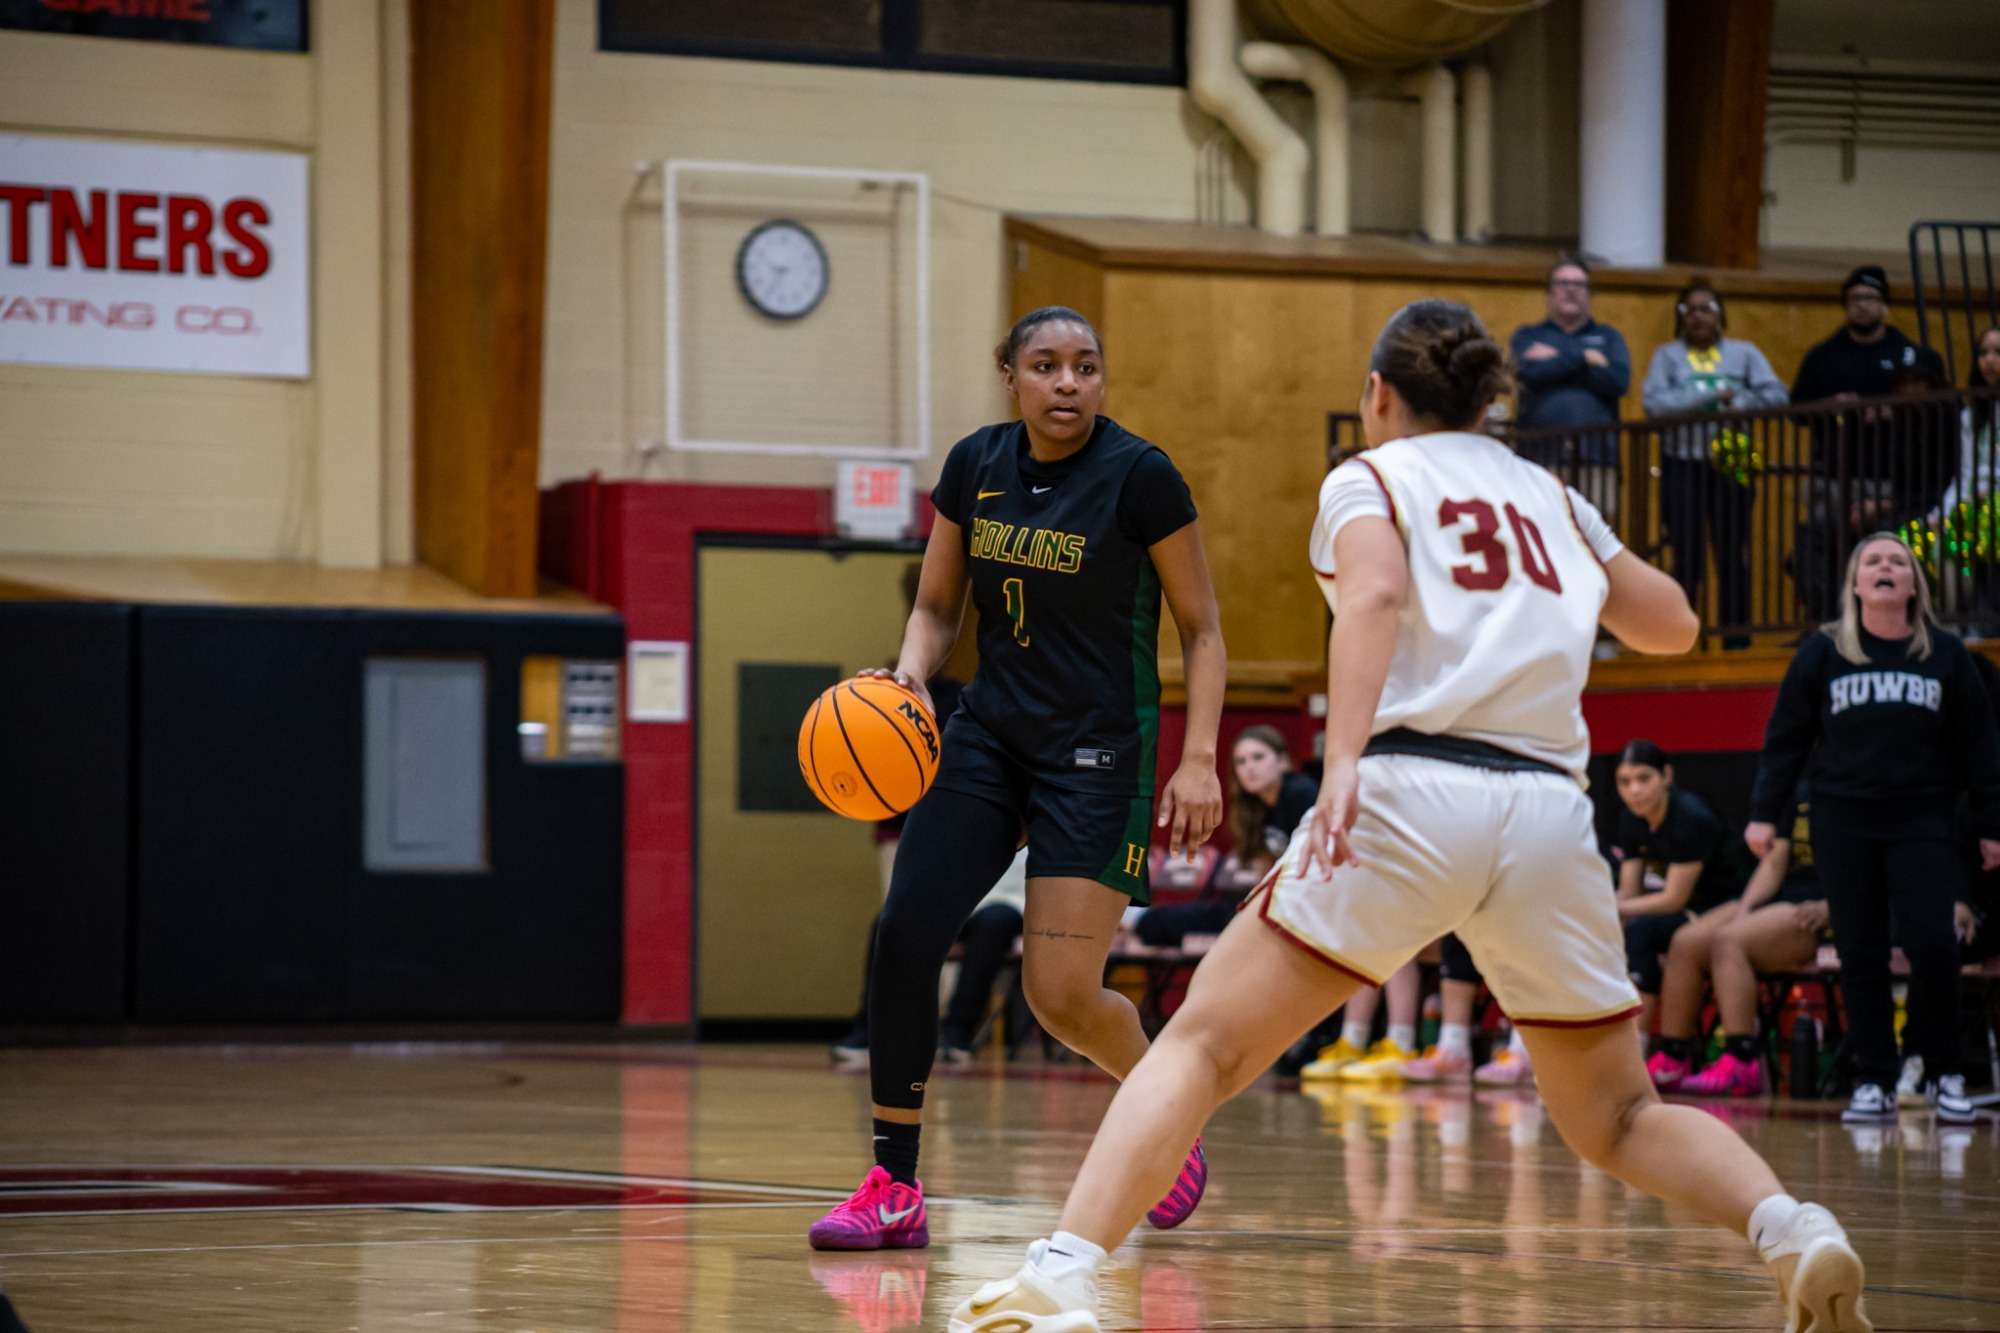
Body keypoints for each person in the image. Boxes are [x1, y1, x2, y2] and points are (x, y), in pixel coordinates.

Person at [949, 299, 1871, 1333]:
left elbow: (1377, 592)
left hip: (1412, 787)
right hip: (1545, 813)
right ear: (1488, 402)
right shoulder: (1550, 495)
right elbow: (1672, 624)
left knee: (1200, 1047)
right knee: (1617, 1112)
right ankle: (1791, 1229)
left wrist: (1338, 758)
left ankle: (1061, 1276)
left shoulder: (1370, 476)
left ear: (1377, 394)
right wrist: (1576, 543)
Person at [808, 305, 1226, 1250]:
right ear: (1012, 375)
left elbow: (1202, 630)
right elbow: (937, 605)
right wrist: (910, 680)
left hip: (1097, 751)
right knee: (906, 931)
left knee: (1061, 995)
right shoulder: (975, 466)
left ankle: (1168, 1112)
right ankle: (893, 1185)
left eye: (1086, 365)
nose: (1069, 382)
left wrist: (1198, 759)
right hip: (988, 734)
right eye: (1047, 365)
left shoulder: (1143, 476)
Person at [1746, 532, 2000, 1126]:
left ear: (1913, 584)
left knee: (1934, 945)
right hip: (1843, 817)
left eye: (1897, 561)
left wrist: (1991, 825)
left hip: (1922, 817)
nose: (1885, 567)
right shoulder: (1822, 654)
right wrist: (1765, 812)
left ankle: (1944, 1071)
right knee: (1859, 950)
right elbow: (1785, 740)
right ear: (1856, 584)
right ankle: (1875, 1080)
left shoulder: (1944, 656)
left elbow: (1981, 749)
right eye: (1872, 561)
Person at [1646, 781, 1826, 1097]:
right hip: (1787, 901)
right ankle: (1673, 1058)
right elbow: (1775, 860)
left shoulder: (1870, 790)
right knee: (1686, 942)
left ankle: (1742, 1062)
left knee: (1728, 942)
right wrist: (1745, 911)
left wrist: (1832, 906)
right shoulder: (1799, 791)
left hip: (1826, 908)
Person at [1640, 284, 1788, 646]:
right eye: (1689, 310)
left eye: (1706, 308)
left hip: (1731, 464)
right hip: (1682, 464)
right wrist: (1708, 397)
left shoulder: (1744, 353)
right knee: (1686, 559)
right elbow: (1655, 405)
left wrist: (1743, 401)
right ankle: (1681, 642)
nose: (1698, 316)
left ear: (1720, 315)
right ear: (1681, 319)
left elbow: (1778, 395)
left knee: (1732, 557)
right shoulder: (1667, 355)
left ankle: (1736, 643)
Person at [1790, 267, 1925, 619]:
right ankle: (1826, 623)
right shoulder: (1824, 355)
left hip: (1886, 480)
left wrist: (1890, 411)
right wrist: (1829, 406)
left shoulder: (1906, 355)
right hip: (1832, 477)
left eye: (1870, 298)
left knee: (1877, 552)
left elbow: (1930, 407)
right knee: (1819, 545)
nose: (1862, 305)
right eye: (1855, 299)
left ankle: (1883, 621)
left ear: (1884, 306)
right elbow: (1796, 409)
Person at [1610, 740, 1752, 1026]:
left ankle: (1642, 1044)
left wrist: (1613, 908)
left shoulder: (1689, 816)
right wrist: (1607, 913)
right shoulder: (1632, 819)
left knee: (1642, 930)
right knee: (1614, 931)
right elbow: (1629, 890)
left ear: (1667, 776)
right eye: (1624, 782)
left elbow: (1673, 898)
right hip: (1691, 907)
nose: (1634, 790)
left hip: (1734, 901)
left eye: (1643, 778)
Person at [1132, 726, 1313, 947]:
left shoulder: (1300, 792)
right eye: (1241, 761)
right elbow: (1261, 869)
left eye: (1258, 757)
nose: (1249, 767)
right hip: (1260, 904)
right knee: (1154, 923)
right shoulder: (1254, 809)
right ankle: (1129, 918)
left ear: (1283, 761)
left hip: (1298, 906)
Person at [1511, 254, 1631, 522]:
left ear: (1589, 294)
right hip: (1540, 459)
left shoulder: (1609, 338)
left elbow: (1617, 381)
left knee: (1598, 541)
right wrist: (1585, 358)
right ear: (1549, 293)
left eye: (1579, 285)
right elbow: (1529, 373)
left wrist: (1556, 359)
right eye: (1563, 283)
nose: (1571, 290)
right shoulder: (1528, 336)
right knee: (1541, 534)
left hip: (1597, 460)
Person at [1927, 327, 2000, 620]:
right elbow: (1965, 476)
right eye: (1983, 353)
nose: (1989, 360)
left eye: (1997, 352)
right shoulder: (1969, 416)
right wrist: (1940, 513)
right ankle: (1954, 626)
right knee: (1934, 543)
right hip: (1972, 504)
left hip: (1992, 504)